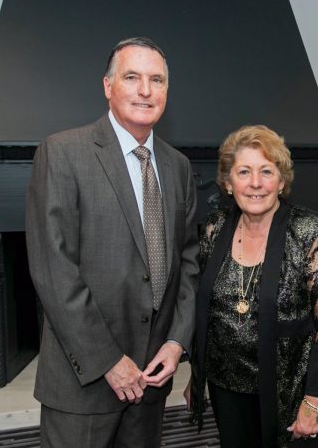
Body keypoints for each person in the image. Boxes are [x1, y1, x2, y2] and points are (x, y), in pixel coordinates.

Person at [25, 37, 199, 447]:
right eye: (132, 77)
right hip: (82, 385)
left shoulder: (179, 167)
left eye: (156, 80)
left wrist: (176, 342)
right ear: (108, 86)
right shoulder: (63, 153)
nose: (145, 90)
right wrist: (107, 361)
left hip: (151, 384)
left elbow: (189, 263)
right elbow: (54, 270)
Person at [185, 125, 318, 447]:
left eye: (266, 171)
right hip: (227, 389)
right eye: (244, 172)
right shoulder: (215, 228)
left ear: (281, 181)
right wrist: (197, 376)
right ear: (229, 183)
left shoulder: (308, 230)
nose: (255, 183)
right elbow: (204, 310)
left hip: (291, 392)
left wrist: (317, 398)